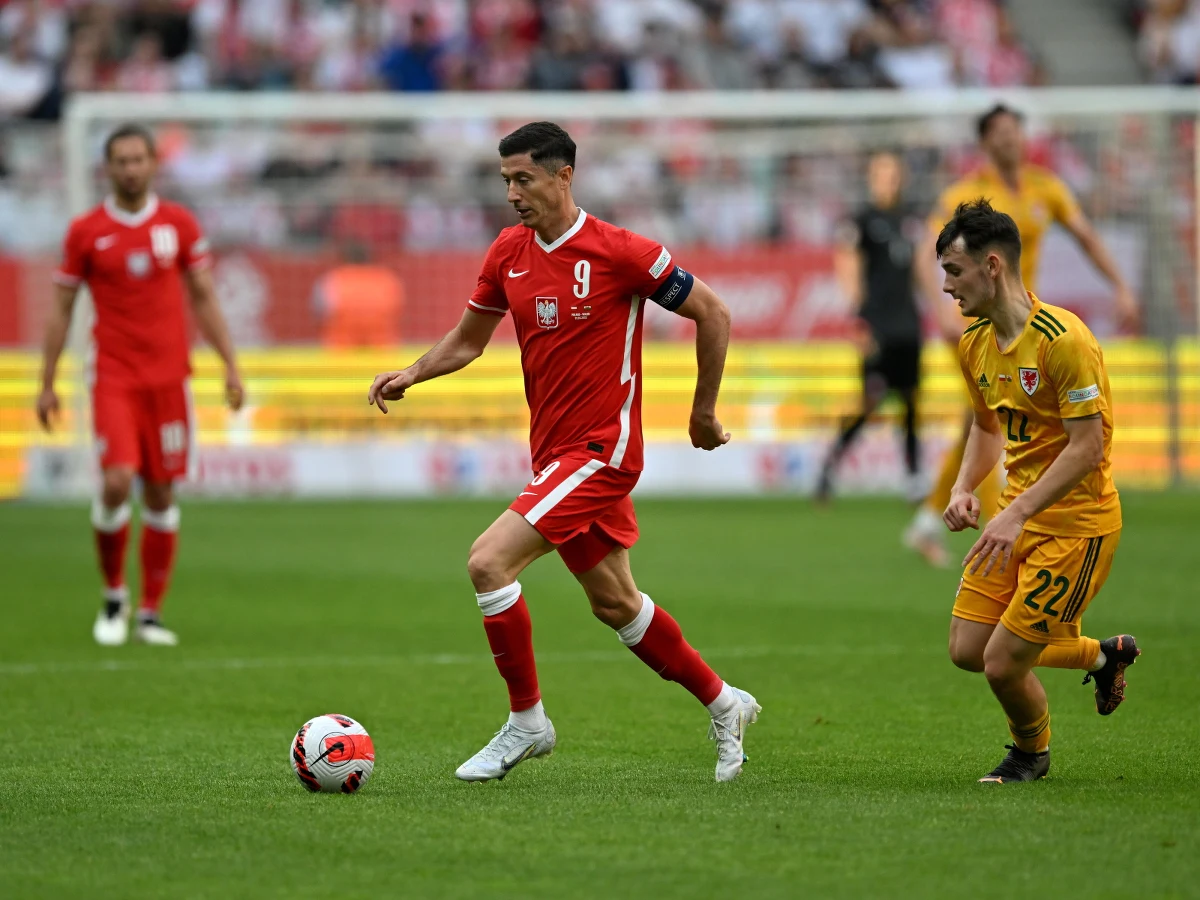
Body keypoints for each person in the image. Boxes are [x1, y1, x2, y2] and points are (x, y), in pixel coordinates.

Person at [367, 122, 759, 783]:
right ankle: (725, 703)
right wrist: (413, 372)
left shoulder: (620, 252)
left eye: (523, 179)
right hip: (554, 457)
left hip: (604, 451)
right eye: (505, 182)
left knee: (488, 564)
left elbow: (713, 313)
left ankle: (527, 722)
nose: (513, 194)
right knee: (615, 604)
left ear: (562, 177)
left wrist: (703, 411)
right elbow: (468, 341)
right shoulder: (507, 253)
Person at [938, 199, 1139, 784]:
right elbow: (985, 426)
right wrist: (962, 487)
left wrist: (1016, 512)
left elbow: (1087, 447)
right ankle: (1103, 656)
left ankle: (1031, 754)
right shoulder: (974, 344)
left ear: (993, 266)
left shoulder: (1064, 339)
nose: (947, 287)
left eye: (955, 271)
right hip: (1016, 519)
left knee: (1002, 664)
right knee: (967, 650)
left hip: (1076, 529)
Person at [905, 103, 1139, 567]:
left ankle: (934, 519)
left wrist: (1120, 286)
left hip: (1025, 324)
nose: (1010, 140)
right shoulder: (968, 194)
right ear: (985, 141)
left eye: (1016, 131)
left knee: (980, 423)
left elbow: (1087, 237)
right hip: (977, 326)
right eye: (1000, 133)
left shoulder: (1045, 188)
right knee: (989, 420)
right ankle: (993, 528)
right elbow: (923, 256)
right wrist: (943, 314)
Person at [38, 123, 244, 647]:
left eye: (137, 159)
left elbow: (203, 296)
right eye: (120, 161)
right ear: (107, 168)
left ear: (153, 163)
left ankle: (150, 612)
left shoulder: (177, 224)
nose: (130, 168)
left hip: (169, 378)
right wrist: (47, 381)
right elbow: (61, 309)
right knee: (115, 481)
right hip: (113, 376)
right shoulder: (85, 231)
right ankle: (113, 595)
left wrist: (230, 364)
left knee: (160, 491)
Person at [818, 151, 933, 503]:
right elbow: (848, 267)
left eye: (894, 174)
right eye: (883, 174)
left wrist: (939, 309)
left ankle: (914, 478)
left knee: (912, 402)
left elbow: (922, 270)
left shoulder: (912, 221)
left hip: (908, 322)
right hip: (877, 324)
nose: (890, 180)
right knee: (870, 401)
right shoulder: (862, 221)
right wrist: (859, 319)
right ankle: (830, 468)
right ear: (872, 178)